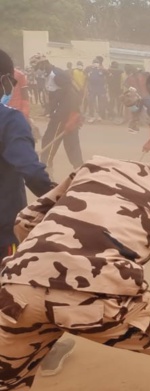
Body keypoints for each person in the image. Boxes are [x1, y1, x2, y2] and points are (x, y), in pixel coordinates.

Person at [0, 135, 150, 391]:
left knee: (8, 380)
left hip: (16, 288)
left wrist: (40, 266)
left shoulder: (97, 167)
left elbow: (26, 220)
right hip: (98, 298)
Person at [1, 48, 77, 377]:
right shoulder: (9, 119)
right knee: (16, 288)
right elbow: (29, 170)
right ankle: (38, 353)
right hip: (3, 226)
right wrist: (61, 198)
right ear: (5, 81)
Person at [31, 53, 84, 174]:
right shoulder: (50, 75)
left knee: (49, 141)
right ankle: (80, 170)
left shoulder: (57, 75)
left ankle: (46, 171)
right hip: (60, 114)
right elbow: (55, 96)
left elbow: (73, 95)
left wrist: (74, 116)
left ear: (43, 64)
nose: (37, 71)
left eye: (38, 68)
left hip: (64, 115)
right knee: (71, 144)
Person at [85, 58, 108, 122]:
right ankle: (92, 116)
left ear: (99, 64)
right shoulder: (89, 69)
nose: (95, 64)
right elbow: (85, 74)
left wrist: (105, 85)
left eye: (97, 63)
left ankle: (99, 116)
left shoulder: (102, 69)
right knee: (91, 102)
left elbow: (109, 75)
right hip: (92, 88)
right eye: (94, 63)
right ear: (92, 63)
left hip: (100, 88)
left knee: (100, 102)